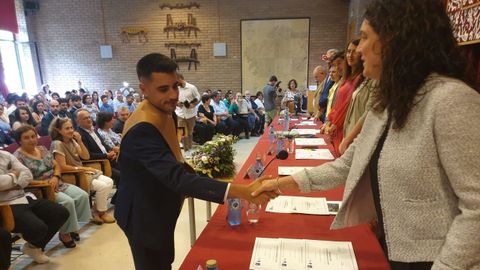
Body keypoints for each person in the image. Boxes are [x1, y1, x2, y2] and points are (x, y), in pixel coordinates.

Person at [253, 0, 480, 269]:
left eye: (364, 38)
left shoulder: (450, 100)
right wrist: (281, 184)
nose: (358, 49)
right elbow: (349, 164)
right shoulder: (388, 102)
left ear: (394, 41)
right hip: (394, 246)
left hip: (435, 259)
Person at [115, 53, 275, 270]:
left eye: (175, 86)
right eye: (164, 89)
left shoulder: (162, 109)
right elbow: (177, 178)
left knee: (164, 262)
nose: (173, 95)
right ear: (143, 88)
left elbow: (177, 163)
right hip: (143, 215)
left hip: (158, 205)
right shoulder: (143, 129)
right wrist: (242, 191)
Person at [14, 125, 91, 248]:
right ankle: (65, 233)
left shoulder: (42, 149)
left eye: (33, 136)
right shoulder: (17, 157)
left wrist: (56, 176)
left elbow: (56, 165)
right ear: (19, 141)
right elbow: (23, 180)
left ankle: (73, 226)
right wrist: (45, 183)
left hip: (56, 181)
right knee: (67, 202)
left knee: (82, 195)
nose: (31, 140)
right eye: (26, 138)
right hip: (40, 188)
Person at [0, 150, 69, 264]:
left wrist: (13, 183)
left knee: (60, 212)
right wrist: (14, 175)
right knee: (38, 228)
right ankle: (29, 235)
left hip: (23, 196)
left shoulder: (5, 154)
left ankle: (33, 247)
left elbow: (27, 174)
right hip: (5, 204)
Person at [49, 117, 116, 224]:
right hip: (71, 175)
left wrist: (79, 141)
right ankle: (101, 213)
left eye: (71, 127)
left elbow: (85, 156)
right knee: (102, 186)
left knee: (109, 181)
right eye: (67, 128)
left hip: (81, 171)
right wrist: (84, 168)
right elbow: (62, 167)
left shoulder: (72, 141)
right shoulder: (57, 144)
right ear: (58, 130)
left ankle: (96, 210)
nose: (71, 130)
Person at [324, 39, 364, 154]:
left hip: (343, 127)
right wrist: (330, 122)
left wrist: (334, 123)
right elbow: (336, 105)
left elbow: (346, 105)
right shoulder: (347, 78)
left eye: (354, 51)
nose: (350, 55)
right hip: (336, 126)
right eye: (348, 51)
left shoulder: (359, 78)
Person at [175, 73, 200, 152]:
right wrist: (177, 103)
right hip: (180, 114)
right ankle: (186, 151)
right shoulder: (176, 88)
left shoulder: (191, 87)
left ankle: (190, 149)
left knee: (189, 133)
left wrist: (193, 104)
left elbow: (198, 97)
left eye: (176, 80)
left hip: (190, 114)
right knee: (182, 133)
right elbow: (174, 98)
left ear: (180, 79)